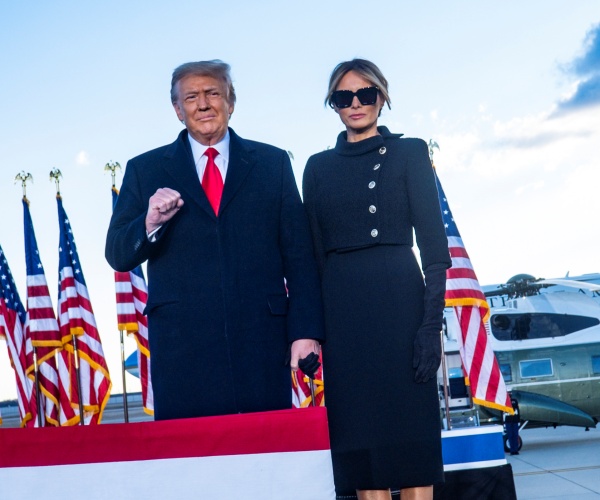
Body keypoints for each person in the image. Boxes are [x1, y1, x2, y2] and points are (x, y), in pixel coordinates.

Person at [106, 60, 325, 421]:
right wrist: (149, 222)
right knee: (191, 465)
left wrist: (305, 332)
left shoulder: (272, 163)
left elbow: (299, 258)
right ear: (178, 109)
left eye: (213, 93)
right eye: (191, 96)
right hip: (182, 349)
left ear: (231, 102)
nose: (203, 104)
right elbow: (117, 253)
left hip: (261, 343)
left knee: (265, 458)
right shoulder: (144, 169)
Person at [302, 59, 451, 500]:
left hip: (401, 306)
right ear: (333, 105)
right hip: (344, 315)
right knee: (362, 452)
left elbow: (435, 252)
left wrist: (429, 327)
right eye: (343, 97)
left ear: (382, 97)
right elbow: (310, 258)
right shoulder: (317, 167)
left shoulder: (409, 153)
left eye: (366, 94)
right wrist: (311, 332)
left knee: (411, 449)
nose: (356, 104)